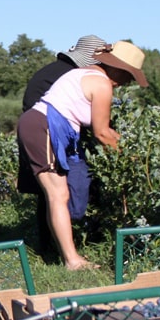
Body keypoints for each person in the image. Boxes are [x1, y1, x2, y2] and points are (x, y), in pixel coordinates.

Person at [17, 40, 148, 270]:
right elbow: (102, 132)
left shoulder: (83, 73)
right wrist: (134, 159)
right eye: (129, 77)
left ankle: (64, 255)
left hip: (42, 126)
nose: (127, 83)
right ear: (119, 69)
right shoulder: (101, 84)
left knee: (58, 196)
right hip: (43, 127)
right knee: (58, 195)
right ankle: (72, 260)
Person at [18, 35, 111, 252]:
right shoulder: (75, 75)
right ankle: (66, 251)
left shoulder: (49, 71)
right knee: (58, 195)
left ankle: (51, 247)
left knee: (50, 196)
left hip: (39, 133)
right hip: (49, 134)